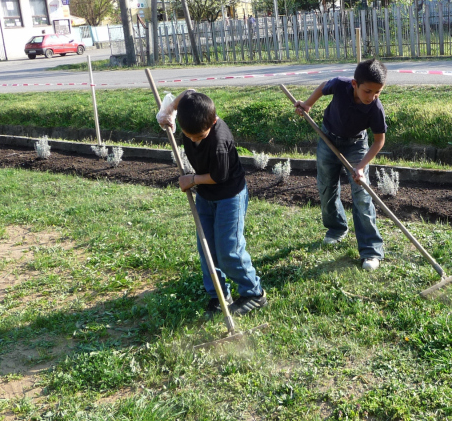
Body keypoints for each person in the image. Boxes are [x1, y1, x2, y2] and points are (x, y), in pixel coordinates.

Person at [157, 90, 267, 316]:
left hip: (229, 196)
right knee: (206, 248)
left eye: (199, 136)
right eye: (190, 136)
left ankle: (254, 293)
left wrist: (192, 179)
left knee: (228, 250)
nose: (194, 140)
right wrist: (168, 111)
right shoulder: (192, 117)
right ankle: (218, 295)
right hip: (206, 197)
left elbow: (219, 176)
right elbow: (186, 95)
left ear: (213, 121)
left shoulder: (218, 140)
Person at [294, 59, 388, 271]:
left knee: (362, 195)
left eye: (378, 92)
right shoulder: (340, 84)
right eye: (368, 91)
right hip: (328, 139)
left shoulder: (375, 108)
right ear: (355, 84)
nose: (372, 97)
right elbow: (323, 86)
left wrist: (361, 167)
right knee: (326, 187)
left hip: (356, 146)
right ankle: (336, 229)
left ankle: (371, 250)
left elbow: (379, 141)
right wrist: (308, 104)